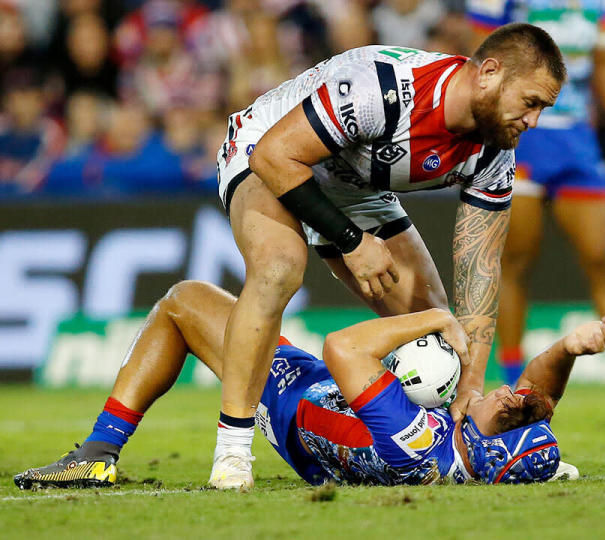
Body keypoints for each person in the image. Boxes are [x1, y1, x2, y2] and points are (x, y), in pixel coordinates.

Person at [210, 23, 565, 489]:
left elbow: (479, 268)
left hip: (349, 181)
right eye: (531, 102)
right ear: (490, 73)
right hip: (267, 147)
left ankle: (459, 448)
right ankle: (232, 449)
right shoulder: (381, 88)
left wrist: (471, 386)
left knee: (435, 322)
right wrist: (351, 241)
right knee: (279, 266)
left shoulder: (493, 153)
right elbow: (276, 157)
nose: (533, 121)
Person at [14, 280, 605, 490]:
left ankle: (99, 451)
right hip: (320, 406)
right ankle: (99, 450)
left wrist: (435, 319)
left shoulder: (418, 439)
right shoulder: (465, 450)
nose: (511, 397)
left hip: (288, 395)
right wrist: (565, 349)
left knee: (183, 302)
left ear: (489, 446)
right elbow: (538, 400)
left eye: (510, 416)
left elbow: (343, 346)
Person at [467, 0, 605, 385]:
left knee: (604, 258)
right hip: (518, 134)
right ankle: (512, 380)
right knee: (515, 262)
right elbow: (479, 59)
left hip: (576, 138)